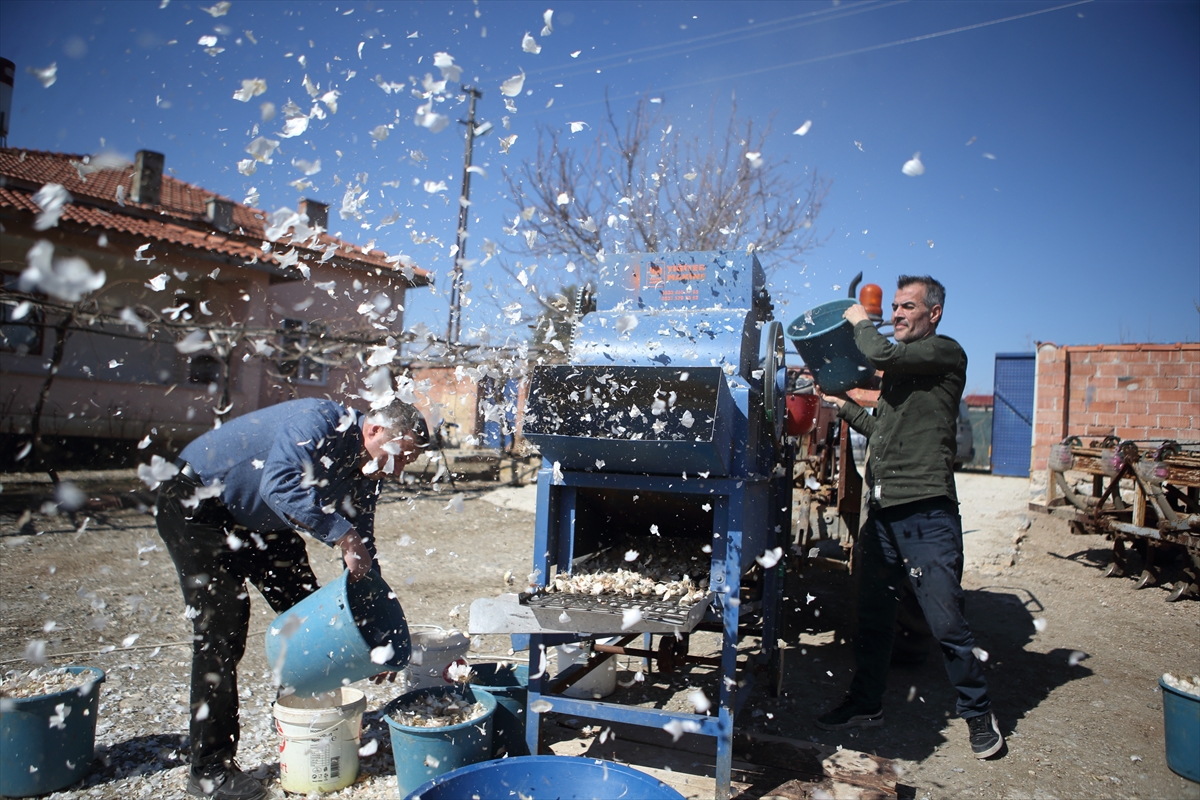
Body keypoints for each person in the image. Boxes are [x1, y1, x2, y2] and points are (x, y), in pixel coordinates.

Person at [156, 397, 429, 799]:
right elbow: (279, 485)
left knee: (309, 616)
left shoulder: (368, 470)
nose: (399, 470)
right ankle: (209, 770)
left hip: (259, 520)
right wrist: (343, 535)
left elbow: (363, 551)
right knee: (223, 631)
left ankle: (297, 716)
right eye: (400, 456)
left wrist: (374, 631)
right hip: (197, 503)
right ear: (374, 431)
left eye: (408, 462)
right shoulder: (319, 421)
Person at [814, 275, 1004, 760]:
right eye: (895, 306)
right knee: (874, 617)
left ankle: (978, 714)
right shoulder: (905, 374)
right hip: (883, 513)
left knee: (946, 621)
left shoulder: (945, 352)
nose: (897, 314)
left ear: (933, 313)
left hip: (924, 511)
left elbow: (881, 353)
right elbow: (879, 428)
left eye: (908, 307)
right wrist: (841, 406)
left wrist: (858, 319)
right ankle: (866, 704)